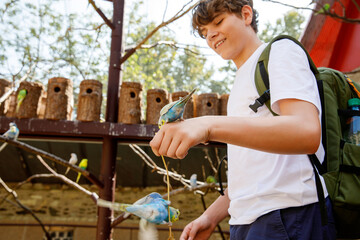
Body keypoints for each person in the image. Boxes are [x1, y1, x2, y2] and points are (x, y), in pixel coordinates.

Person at [150, 0, 336, 239]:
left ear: (246, 14)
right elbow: (254, 172)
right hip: (245, 222)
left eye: (218, 22)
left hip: (288, 214)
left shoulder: (280, 51)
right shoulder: (240, 81)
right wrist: (210, 216)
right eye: (205, 32)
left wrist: (208, 125)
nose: (211, 34)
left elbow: (306, 132)